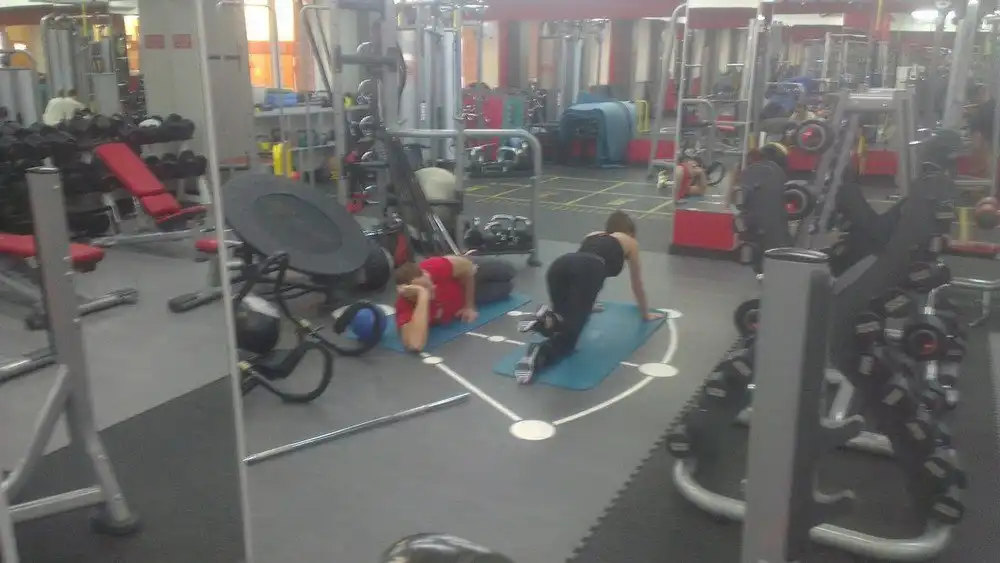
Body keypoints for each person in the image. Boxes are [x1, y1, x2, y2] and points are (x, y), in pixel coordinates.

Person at [515, 211, 663, 384]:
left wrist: (587, 304)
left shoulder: (593, 235)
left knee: (562, 320)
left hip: (560, 266)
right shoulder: (630, 242)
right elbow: (636, 284)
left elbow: (581, 267)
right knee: (569, 337)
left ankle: (545, 320)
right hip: (588, 271)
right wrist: (645, 314)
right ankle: (539, 353)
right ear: (630, 232)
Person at [394, 254, 515, 352]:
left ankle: (468, 254)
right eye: (423, 290)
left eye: (429, 284)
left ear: (427, 274)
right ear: (408, 294)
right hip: (470, 295)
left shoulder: (434, 267)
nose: (433, 288)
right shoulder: (405, 306)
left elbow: (469, 268)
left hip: (466, 277)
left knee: (508, 271)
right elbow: (416, 345)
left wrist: (469, 306)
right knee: (507, 287)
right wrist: (423, 295)